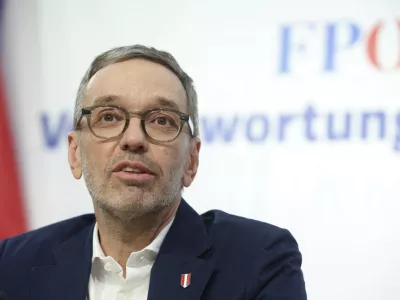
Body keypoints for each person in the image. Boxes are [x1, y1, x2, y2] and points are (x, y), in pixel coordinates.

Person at [0, 45, 307, 300]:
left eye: (162, 120)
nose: (133, 139)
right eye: (109, 116)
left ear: (192, 160)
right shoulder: (14, 265)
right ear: (75, 152)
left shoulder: (257, 261)